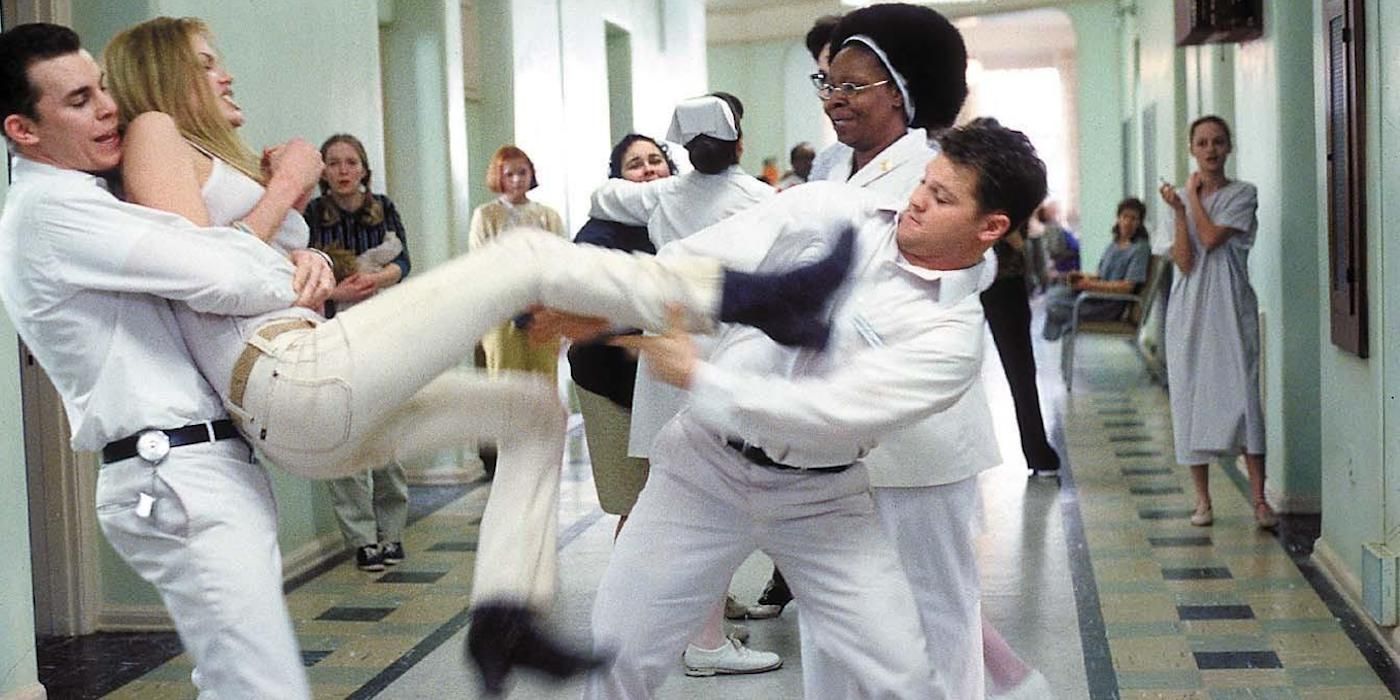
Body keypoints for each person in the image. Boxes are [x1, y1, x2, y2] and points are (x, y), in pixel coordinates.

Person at [99, 16, 851, 694]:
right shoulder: (154, 129)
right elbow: (200, 270)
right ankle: (753, 296)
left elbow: (237, 266)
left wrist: (312, 260)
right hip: (287, 378)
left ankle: (504, 616)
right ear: (165, 73)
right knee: (521, 255)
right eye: (206, 61)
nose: (224, 73)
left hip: (304, 390)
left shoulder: (201, 156)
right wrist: (291, 187)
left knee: (532, 412)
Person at [580, 118, 1048, 700]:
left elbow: (825, 411)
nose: (918, 200)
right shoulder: (834, 210)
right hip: (700, 470)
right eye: (925, 182)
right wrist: (602, 299)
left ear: (991, 226)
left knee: (901, 675)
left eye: (943, 197)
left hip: (819, 499)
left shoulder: (950, 339)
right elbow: (695, 260)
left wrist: (700, 376)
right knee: (618, 654)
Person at [0, 22, 333, 698]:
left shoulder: (88, 197)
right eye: (77, 101)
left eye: (100, 88)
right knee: (262, 689)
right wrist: (289, 217)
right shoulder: (53, 211)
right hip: (177, 473)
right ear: (23, 130)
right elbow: (220, 277)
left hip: (200, 467)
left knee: (241, 684)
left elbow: (217, 265)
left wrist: (297, 257)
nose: (107, 107)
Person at [587, 95, 782, 677]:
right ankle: (705, 640)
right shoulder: (761, 200)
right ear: (740, 143)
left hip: (667, 365)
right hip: (727, 367)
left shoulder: (661, 195)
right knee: (720, 508)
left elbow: (603, 196)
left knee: (669, 507)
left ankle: (646, 630)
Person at [1158, 115, 1275, 530]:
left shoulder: (1243, 195)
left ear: (1229, 147)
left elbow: (1211, 240)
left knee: (1245, 396)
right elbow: (1186, 261)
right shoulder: (1181, 201)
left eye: (1218, 142)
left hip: (1230, 304)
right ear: (1192, 148)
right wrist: (1178, 211)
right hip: (1189, 310)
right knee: (1190, 397)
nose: (1210, 150)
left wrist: (1190, 199)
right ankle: (1203, 501)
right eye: (1203, 142)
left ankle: (1259, 499)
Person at [304, 133, 413, 571]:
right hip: (334, 328)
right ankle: (362, 539)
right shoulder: (313, 214)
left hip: (382, 326)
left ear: (364, 169)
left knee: (387, 429)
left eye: (351, 162)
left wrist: (377, 279)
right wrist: (336, 289)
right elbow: (299, 267)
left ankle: (392, 533)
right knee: (343, 430)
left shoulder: (383, 208)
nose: (343, 170)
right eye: (334, 163)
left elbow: (404, 262)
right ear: (323, 171)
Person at [470, 145, 566, 382]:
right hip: (501, 309)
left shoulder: (548, 215)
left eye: (522, 173)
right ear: (498, 177)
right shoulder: (486, 215)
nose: (517, 180)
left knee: (544, 380)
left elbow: (561, 258)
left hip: (542, 308)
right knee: (505, 380)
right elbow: (481, 260)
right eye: (509, 174)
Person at [982, 221, 1061, 474]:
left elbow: (1018, 238)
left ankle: (1037, 451)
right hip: (980, 275)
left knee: (1021, 372)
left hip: (997, 276)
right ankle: (1036, 452)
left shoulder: (1007, 189)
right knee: (1020, 373)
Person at [1041, 196, 1151, 341]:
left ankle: (1057, 335)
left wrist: (1090, 285)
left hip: (1108, 305)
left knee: (1055, 306)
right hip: (1096, 297)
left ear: (1140, 223)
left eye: (1134, 218)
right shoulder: (1115, 244)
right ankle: (1057, 334)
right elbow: (1101, 276)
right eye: (1124, 217)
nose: (1128, 222)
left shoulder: (1140, 248)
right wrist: (1081, 277)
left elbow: (1127, 287)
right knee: (1053, 295)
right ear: (1118, 219)